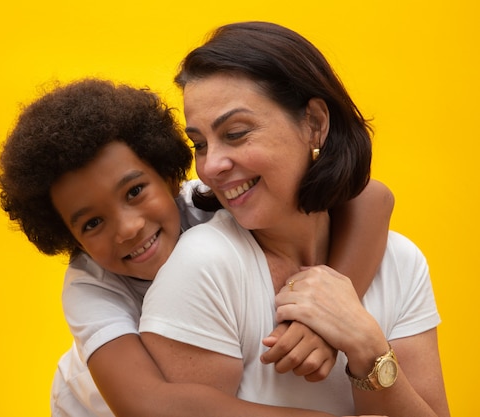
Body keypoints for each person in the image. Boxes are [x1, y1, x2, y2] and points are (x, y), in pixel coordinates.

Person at [0, 78, 394, 417]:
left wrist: (322, 320)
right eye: (93, 223)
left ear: (170, 175)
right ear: (69, 237)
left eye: (135, 191)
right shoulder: (91, 286)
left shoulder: (207, 202)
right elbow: (150, 405)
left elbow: (373, 197)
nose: (129, 228)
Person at [139, 21, 450, 417]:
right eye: (199, 144)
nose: (211, 165)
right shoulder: (205, 265)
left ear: (315, 124)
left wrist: (367, 348)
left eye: (236, 133)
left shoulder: (401, 263)